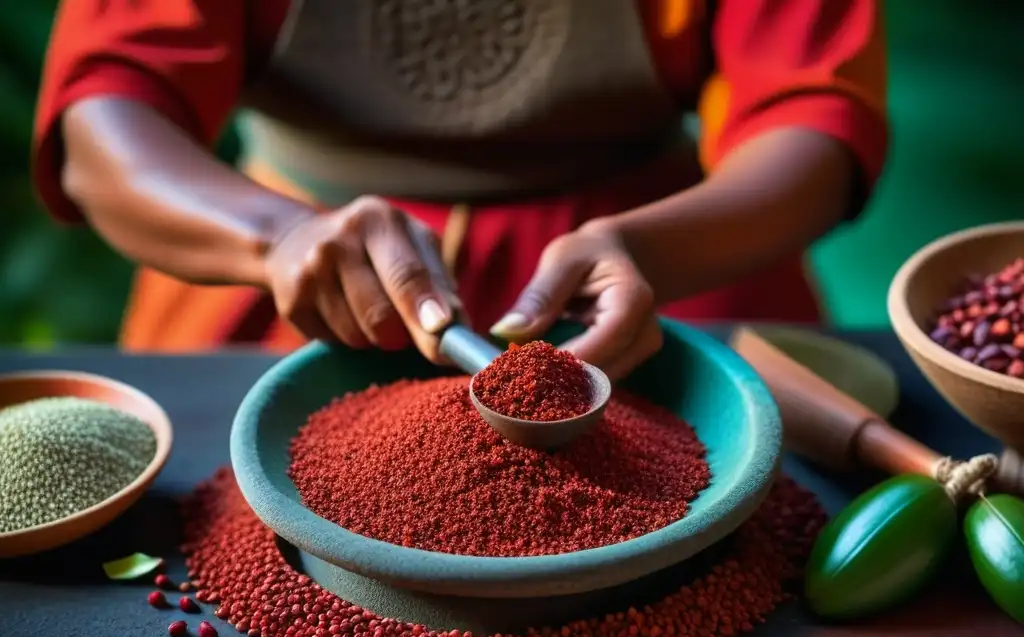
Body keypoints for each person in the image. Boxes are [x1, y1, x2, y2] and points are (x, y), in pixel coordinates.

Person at [33, 0, 886, 380]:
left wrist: (649, 250)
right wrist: (277, 236)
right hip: (292, 284)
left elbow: (812, 111)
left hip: (655, 290)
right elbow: (106, 114)